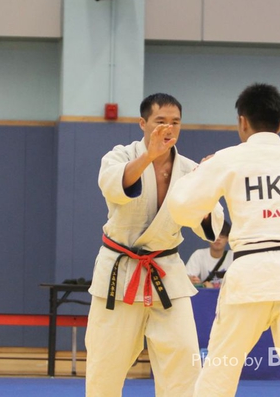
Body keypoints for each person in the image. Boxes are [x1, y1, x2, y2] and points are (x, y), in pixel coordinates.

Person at [167, 83, 280, 396]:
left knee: (219, 374)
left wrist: (200, 172)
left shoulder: (227, 159)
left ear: (242, 121)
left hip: (250, 275)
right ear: (279, 122)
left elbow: (181, 207)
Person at [85, 93, 224, 397]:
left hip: (166, 274)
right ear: (143, 123)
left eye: (175, 122)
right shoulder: (120, 156)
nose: (168, 129)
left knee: (184, 363)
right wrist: (148, 157)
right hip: (119, 275)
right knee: (104, 366)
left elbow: (209, 228)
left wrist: (204, 185)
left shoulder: (188, 170)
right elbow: (113, 187)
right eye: (161, 121)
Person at [187, 220, 234, 288]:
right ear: (208, 237)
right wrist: (192, 280)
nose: (218, 238)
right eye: (215, 235)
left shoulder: (233, 256)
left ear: (228, 238)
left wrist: (215, 286)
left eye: (222, 236)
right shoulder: (199, 255)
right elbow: (187, 278)